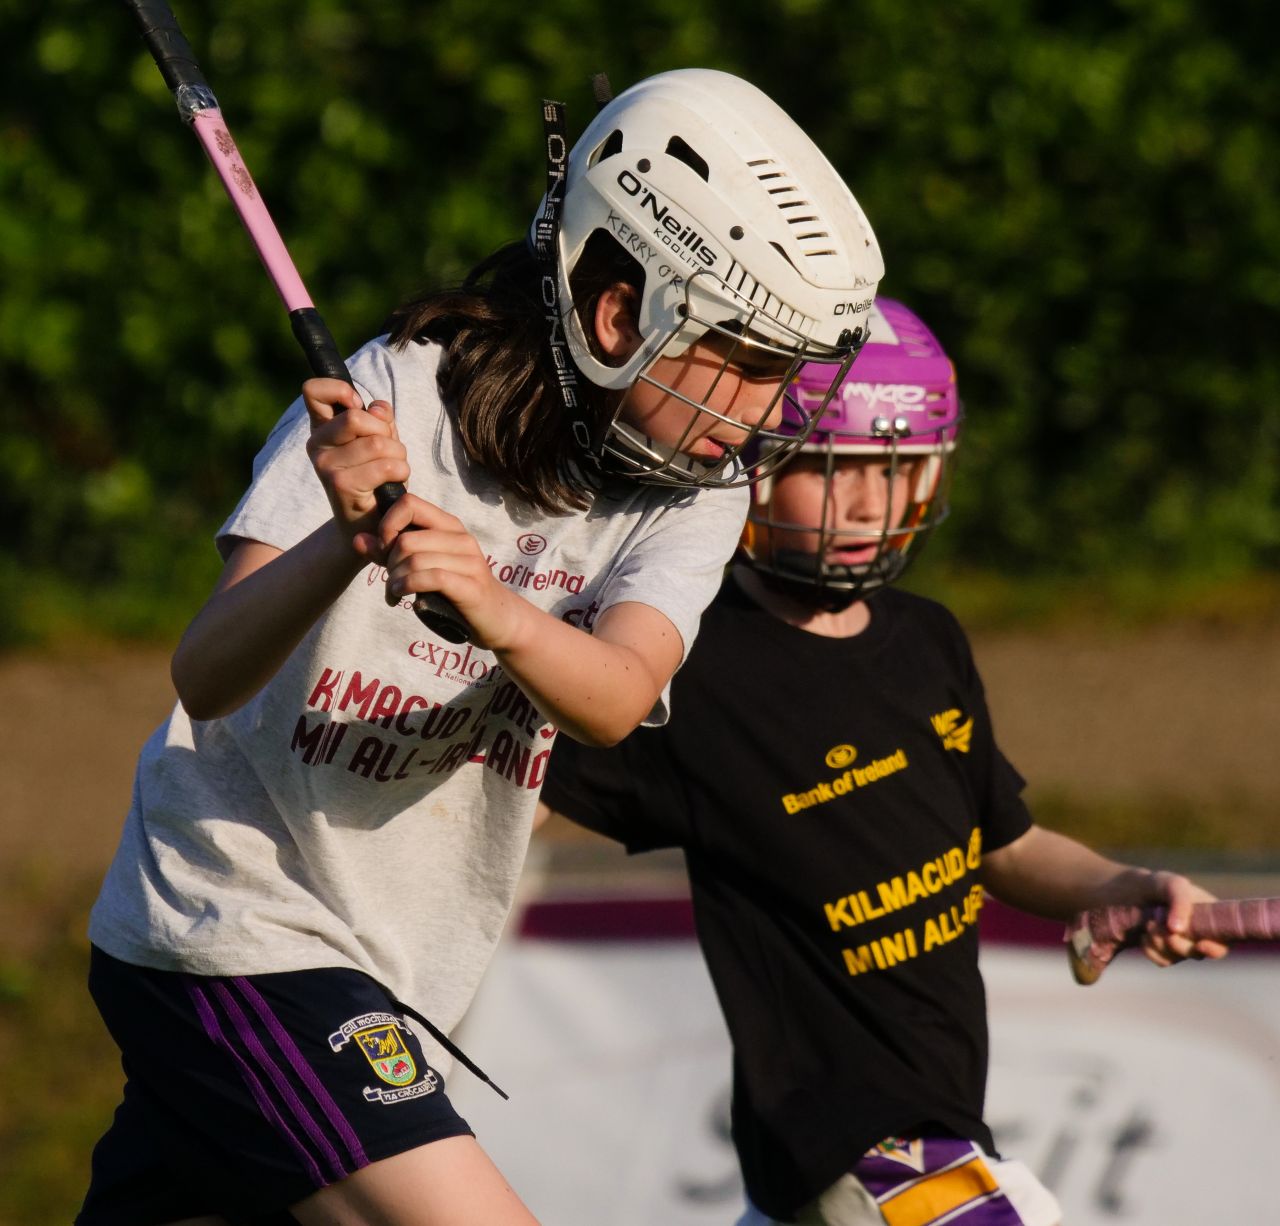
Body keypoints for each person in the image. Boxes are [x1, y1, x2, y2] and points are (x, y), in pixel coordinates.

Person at [77, 69, 885, 1226]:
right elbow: (205, 673)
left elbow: (612, 696)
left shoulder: (694, 493)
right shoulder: (393, 396)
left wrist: (493, 604)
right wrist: (345, 542)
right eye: (746, 365)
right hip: (229, 924)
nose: (764, 413)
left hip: (396, 966)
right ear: (621, 314)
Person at [537, 297, 1229, 1226]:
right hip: (852, 1144)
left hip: (920, 1142)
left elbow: (1007, 846)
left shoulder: (927, 640)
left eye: (896, 468)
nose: (870, 503)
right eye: (835, 468)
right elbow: (509, 782)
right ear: (748, 468)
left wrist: (1128, 885)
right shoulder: (682, 660)